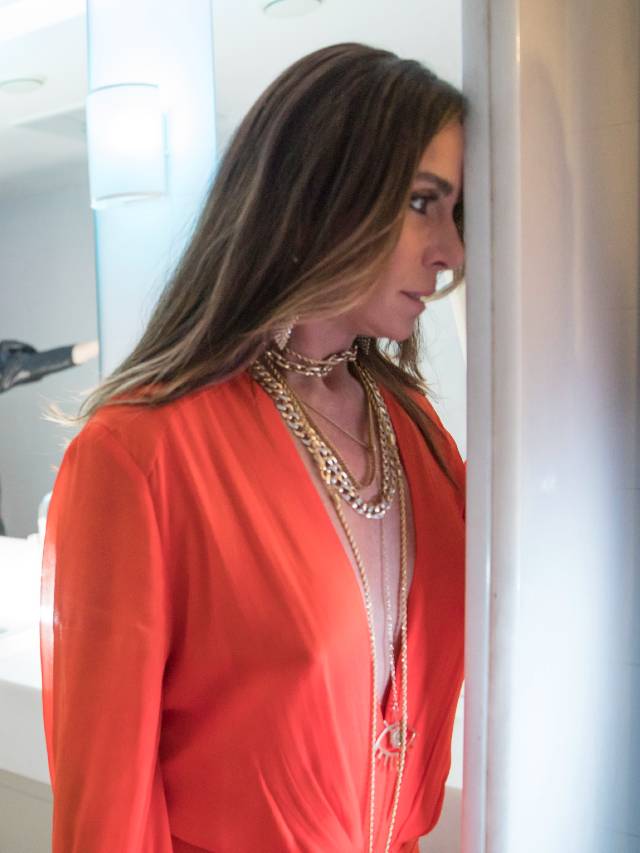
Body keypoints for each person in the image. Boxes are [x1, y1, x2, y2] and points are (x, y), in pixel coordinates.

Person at [40, 42, 466, 853]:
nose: (452, 254)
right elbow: (106, 822)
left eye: (457, 214)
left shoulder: (419, 436)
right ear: (323, 193)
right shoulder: (140, 454)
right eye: (422, 203)